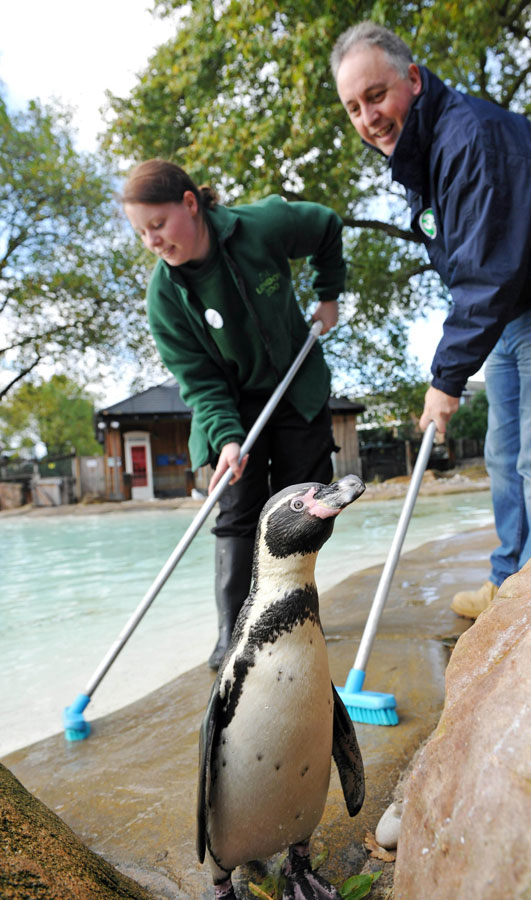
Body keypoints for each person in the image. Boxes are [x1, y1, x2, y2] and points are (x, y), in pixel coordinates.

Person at [331, 22, 531, 619]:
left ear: (412, 79)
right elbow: (472, 274)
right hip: (514, 312)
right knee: (504, 458)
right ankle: (513, 582)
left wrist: (446, 378)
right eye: (354, 107)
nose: (368, 118)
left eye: (376, 96)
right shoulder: (423, 157)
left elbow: (487, 271)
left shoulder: (472, 137)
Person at [122, 159, 345, 667]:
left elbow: (326, 226)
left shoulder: (260, 226)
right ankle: (233, 634)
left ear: (190, 204)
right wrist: (226, 436)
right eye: (141, 233)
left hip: (295, 381)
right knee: (239, 508)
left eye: (158, 225)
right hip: (231, 400)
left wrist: (328, 295)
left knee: (303, 505)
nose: (153, 241)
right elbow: (199, 381)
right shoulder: (164, 299)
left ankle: (295, 611)